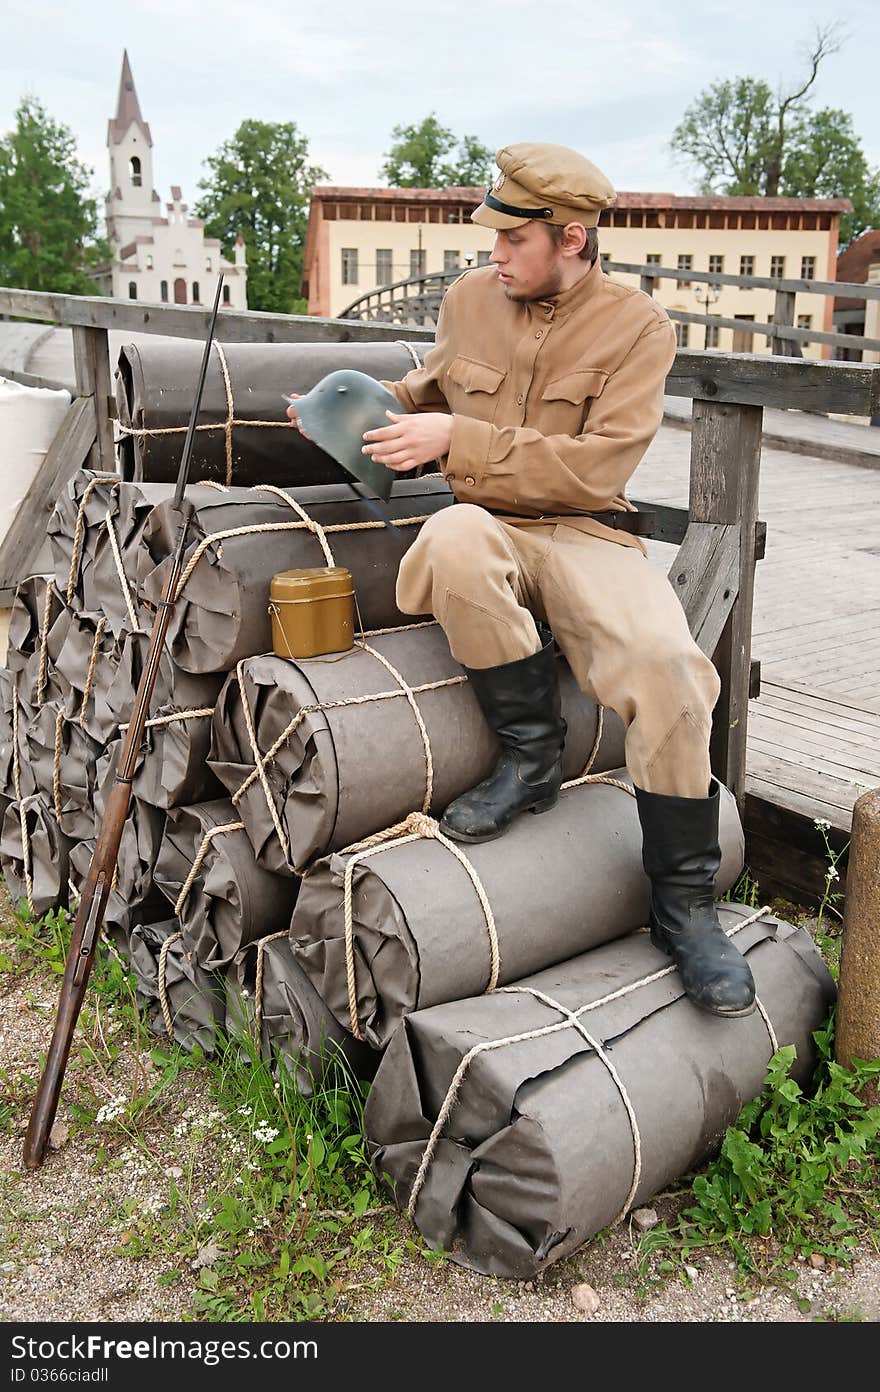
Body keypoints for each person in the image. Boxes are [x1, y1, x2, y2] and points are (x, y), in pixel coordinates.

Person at [288, 141, 755, 1020]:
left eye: (513, 240)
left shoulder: (639, 330)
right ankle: (532, 756)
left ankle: (686, 907)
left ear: (571, 238)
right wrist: (338, 408)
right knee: (455, 535)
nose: (492, 254)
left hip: (586, 533)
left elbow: (592, 470)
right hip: (488, 527)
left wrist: (458, 441)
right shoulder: (471, 298)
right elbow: (427, 394)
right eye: (491, 238)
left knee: (672, 670)